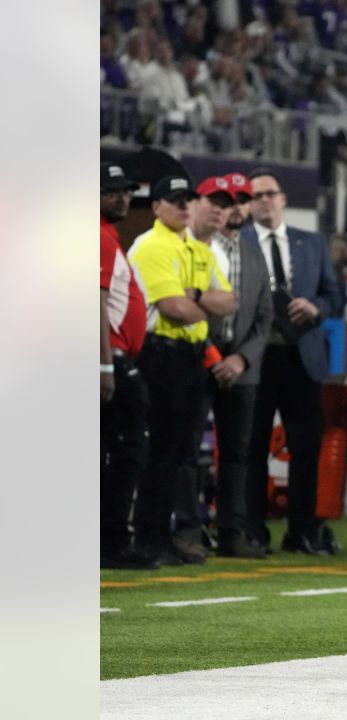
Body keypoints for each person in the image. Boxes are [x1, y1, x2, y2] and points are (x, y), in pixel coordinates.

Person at [128, 175, 237, 565]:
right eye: (175, 200)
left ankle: (161, 535)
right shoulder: (151, 245)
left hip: (190, 355)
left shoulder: (196, 248)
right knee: (159, 450)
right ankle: (147, 536)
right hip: (161, 353)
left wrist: (195, 298)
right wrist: (202, 301)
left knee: (179, 452)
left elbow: (231, 302)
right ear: (156, 206)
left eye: (187, 200)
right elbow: (175, 307)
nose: (183, 206)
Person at [242, 170, 343, 555]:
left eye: (270, 193)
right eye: (256, 196)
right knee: (252, 447)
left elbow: (333, 295)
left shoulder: (312, 243)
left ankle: (302, 531)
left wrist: (316, 307)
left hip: (302, 356)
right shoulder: (239, 240)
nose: (263, 201)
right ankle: (252, 530)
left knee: (306, 447)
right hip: (256, 357)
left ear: (283, 198)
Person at [203, 173, 274, 558]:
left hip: (242, 366)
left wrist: (241, 358)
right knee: (180, 450)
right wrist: (217, 357)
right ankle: (182, 529)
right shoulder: (198, 246)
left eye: (242, 199)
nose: (236, 207)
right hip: (200, 360)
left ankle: (232, 532)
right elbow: (191, 307)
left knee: (238, 453)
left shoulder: (254, 253)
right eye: (227, 200)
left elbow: (265, 317)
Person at [100, 162, 155, 570]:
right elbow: (95, 304)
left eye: (125, 190)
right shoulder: (99, 238)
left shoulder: (109, 236)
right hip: (112, 360)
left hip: (116, 358)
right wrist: (104, 366)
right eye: (111, 191)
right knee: (126, 451)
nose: (121, 197)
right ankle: (113, 541)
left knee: (114, 451)